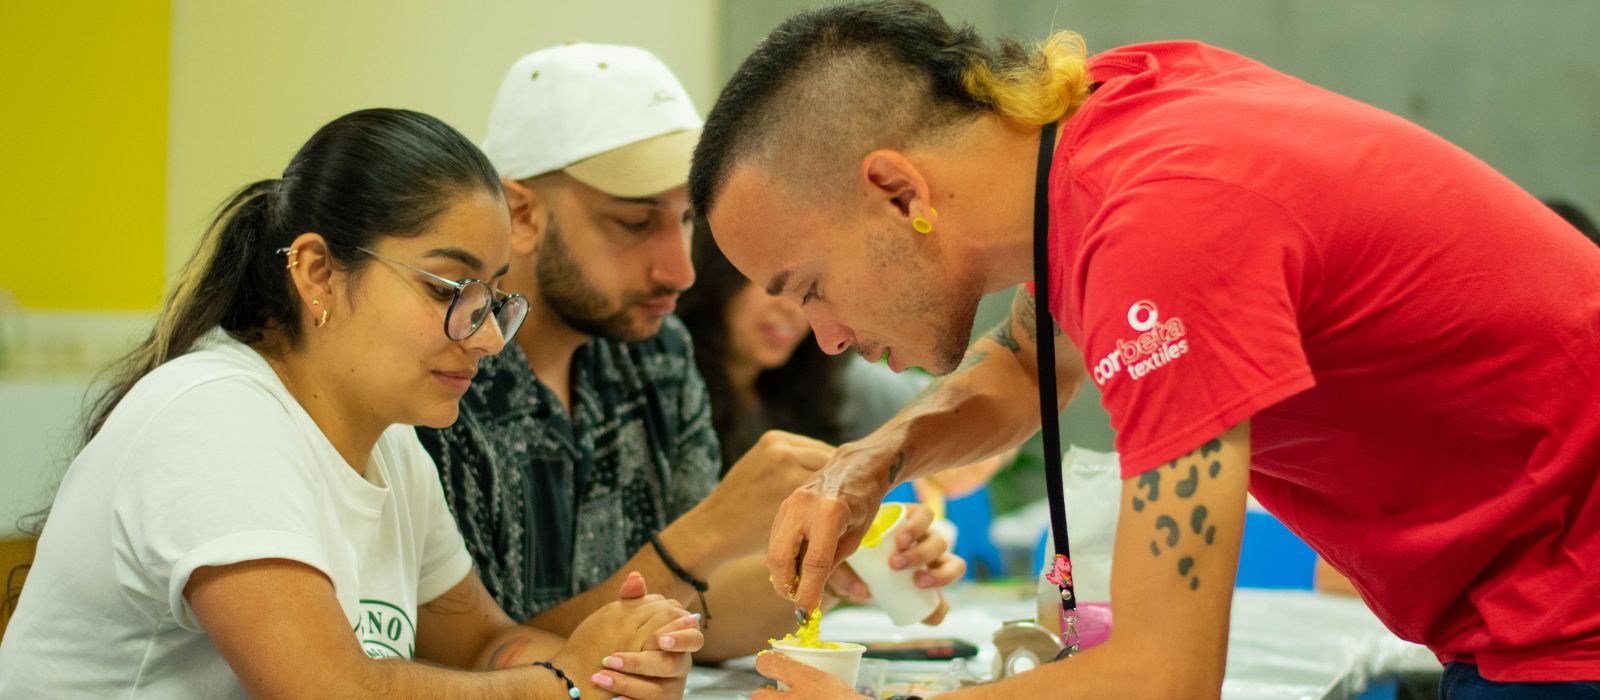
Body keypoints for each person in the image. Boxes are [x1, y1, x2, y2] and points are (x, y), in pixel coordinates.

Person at [688, 1, 1600, 697]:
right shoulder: (1105, 132)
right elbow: (1029, 363)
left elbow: (1162, 677)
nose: (827, 336)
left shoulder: (1161, 229)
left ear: (898, 192)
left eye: (811, 286)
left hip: (1569, 615)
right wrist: (876, 460)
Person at [0, 109, 701, 699]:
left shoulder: (392, 445)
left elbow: (481, 644)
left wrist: (619, 666)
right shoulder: (215, 419)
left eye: (493, 296)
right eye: (447, 289)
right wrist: (561, 682)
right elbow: (332, 690)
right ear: (317, 273)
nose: (488, 336)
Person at [415, 43, 964, 664]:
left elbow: (692, 611)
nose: (680, 271)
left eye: (685, 222)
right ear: (521, 213)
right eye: (635, 223)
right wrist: (705, 534)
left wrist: (828, 568)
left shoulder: (655, 353)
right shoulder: (442, 375)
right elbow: (469, 658)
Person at [679, 226, 1006, 572]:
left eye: (812, 289)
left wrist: (954, 453)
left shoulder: (825, 378)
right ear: (719, 270)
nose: (793, 308)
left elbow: (969, 406)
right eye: (772, 281)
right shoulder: (666, 380)